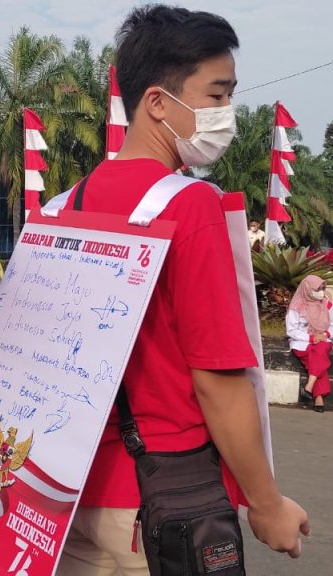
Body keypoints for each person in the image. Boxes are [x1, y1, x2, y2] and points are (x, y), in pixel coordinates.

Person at [54, 7, 308, 574]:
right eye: (216, 96)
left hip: (70, 498)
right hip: (158, 507)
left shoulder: (63, 206)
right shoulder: (188, 205)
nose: (226, 114)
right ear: (157, 103)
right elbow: (217, 380)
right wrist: (267, 505)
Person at [286, 275, 333, 413]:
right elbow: (291, 330)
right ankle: (318, 396)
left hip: (322, 340)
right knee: (318, 356)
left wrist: (324, 335)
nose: (321, 292)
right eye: (317, 289)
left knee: (320, 350)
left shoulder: (328, 305)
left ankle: (309, 387)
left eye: (323, 288)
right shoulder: (297, 306)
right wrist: (310, 338)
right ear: (308, 289)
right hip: (302, 342)